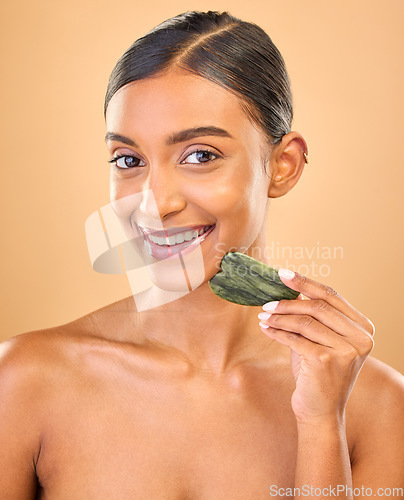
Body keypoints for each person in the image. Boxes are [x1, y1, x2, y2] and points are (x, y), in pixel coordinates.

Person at [0, 10, 403, 499]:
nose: (157, 200)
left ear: (282, 165)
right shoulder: (22, 382)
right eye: (129, 160)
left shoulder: (378, 406)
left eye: (200, 155)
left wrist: (321, 423)